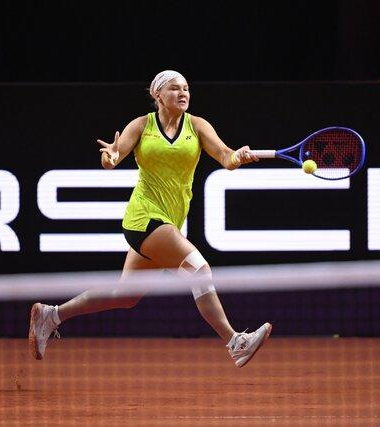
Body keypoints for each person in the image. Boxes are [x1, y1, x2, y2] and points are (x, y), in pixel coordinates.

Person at [28, 70, 272, 367]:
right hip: (144, 217)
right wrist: (109, 157)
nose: (183, 93)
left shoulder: (197, 125)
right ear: (158, 94)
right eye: (174, 88)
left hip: (168, 221)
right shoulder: (142, 125)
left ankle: (51, 315)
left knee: (124, 296)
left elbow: (225, 156)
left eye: (186, 88)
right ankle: (235, 342)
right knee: (200, 271)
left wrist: (238, 157)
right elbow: (113, 157)